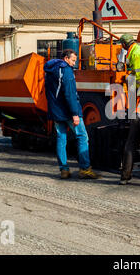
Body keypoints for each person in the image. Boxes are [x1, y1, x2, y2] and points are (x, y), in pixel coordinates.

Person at [44, 49, 101, 180]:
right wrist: (75, 114)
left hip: (56, 111)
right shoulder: (66, 70)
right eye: (73, 60)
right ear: (66, 58)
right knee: (82, 136)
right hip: (68, 112)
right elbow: (69, 94)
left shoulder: (50, 70)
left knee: (61, 139)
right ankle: (85, 169)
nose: (74, 63)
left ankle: (64, 170)